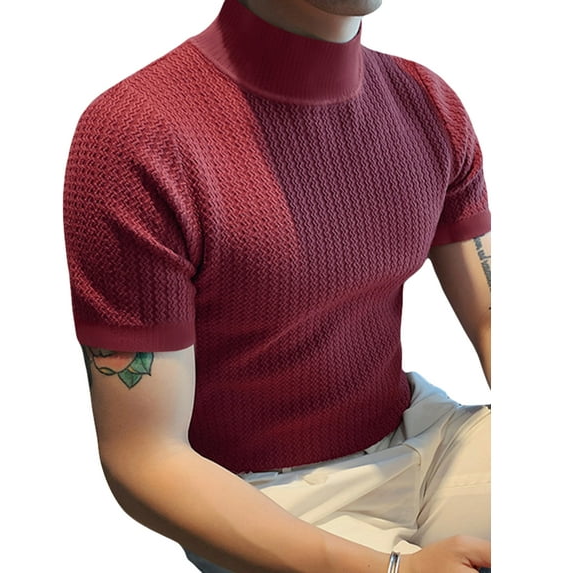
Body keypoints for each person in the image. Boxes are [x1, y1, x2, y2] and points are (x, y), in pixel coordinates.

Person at [63, 0, 492, 571]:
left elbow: (492, 317)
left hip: (425, 434)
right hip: (260, 497)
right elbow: (143, 456)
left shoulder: (426, 101)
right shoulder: (135, 137)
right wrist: (393, 571)